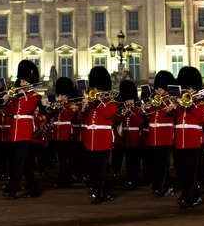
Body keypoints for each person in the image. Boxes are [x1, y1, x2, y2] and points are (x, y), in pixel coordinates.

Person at [2, 60, 42, 199]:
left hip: (25, 133)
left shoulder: (34, 96)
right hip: (16, 133)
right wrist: (7, 100)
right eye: (22, 80)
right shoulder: (17, 97)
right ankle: (34, 189)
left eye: (25, 81)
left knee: (18, 163)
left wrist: (19, 95)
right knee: (26, 163)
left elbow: (28, 108)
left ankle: (12, 189)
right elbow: (9, 111)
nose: (22, 83)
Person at [172, 67, 204, 208]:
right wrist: (173, 107)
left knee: (192, 171)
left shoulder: (201, 104)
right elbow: (172, 117)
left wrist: (191, 104)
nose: (188, 91)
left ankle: (191, 196)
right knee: (181, 171)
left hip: (193, 141)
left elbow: (203, 119)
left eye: (191, 88)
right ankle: (188, 195)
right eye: (186, 88)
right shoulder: (179, 104)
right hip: (179, 141)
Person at [81, 66, 117, 203]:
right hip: (90, 140)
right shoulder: (91, 103)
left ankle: (98, 192)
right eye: (94, 89)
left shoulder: (111, 102)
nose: (95, 92)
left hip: (103, 139)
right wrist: (83, 109)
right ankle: (106, 192)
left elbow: (108, 114)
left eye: (98, 89)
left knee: (101, 169)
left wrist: (97, 103)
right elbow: (81, 119)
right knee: (94, 168)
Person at [142, 71, 176, 197]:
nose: (158, 91)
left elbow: (173, 116)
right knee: (154, 164)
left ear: (166, 90)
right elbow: (147, 115)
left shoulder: (170, 102)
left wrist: (171, 109)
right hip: (153, 137)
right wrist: (145, 108)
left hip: (164, 137)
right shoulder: (153, 101)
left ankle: (165, 186)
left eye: (161, 89)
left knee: (164, 164)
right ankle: (157, 186)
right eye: (157, 88)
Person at [117, 79, 144, 191]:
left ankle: (135, 179)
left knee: (135, 161)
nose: (128, 101)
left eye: (130, 99)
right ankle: (129, 179)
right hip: (126, 137)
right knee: (128, 161)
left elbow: (140, 122)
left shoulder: (137, 109)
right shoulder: (122, 109)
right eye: (127, 99)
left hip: (135, 138)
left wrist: (131, 113)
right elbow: (117, 121)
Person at [51, 77, 77, 188]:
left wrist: (63, 107)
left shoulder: (71, 106)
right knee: (61, 159)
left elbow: (70, 117)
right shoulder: (58, 106)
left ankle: (64, 180)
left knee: (65, 160)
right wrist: (55, 109)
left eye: (62, 95)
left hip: (66, 136)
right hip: (58, 135)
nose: (60, 97)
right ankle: (64, 178)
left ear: (66, 95)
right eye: (60, 95)